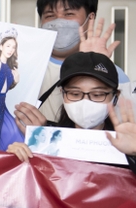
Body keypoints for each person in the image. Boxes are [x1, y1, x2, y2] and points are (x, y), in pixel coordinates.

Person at [14, 0, 131, 127]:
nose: (59, 21)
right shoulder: (25, 65)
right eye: (50, 15)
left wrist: (95, 64)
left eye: (69, 14)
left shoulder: (114, 74)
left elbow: (125, 132)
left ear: (90, 18)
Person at [7, 52, 136, 172]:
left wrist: (133, 155)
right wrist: (16, 158)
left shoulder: (127, 143)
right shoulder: (46, 141)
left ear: (115, 97)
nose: (85, 102)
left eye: (97, 94)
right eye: (75, 93)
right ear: (63, 94)